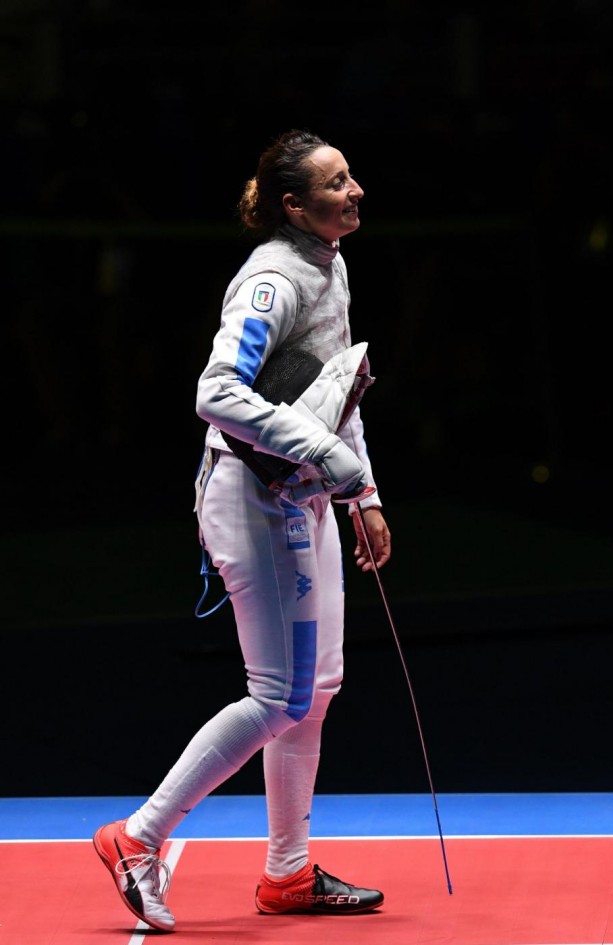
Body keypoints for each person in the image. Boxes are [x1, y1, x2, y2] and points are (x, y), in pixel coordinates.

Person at [93, 129, 392, 932]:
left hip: (302, 492)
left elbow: (333, 388)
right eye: (336, 182)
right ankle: (136, 837)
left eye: (351, 175)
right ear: (293, 205)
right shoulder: (271, 279)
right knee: (278, 694)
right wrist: (325, 457)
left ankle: (288, 872)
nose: (355, 190)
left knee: (316, 688)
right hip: (252, 497)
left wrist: (361, 490)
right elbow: (217, 392)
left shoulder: (331, 263)